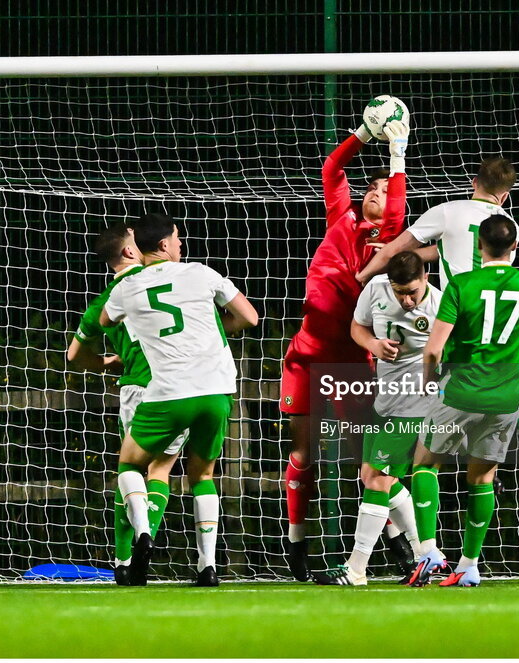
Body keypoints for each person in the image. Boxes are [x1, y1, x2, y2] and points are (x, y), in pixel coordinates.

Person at [356, 157, 519, 471]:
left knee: (444, 394)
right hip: (497, 318)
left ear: (474, 183)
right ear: (505, 196)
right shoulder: (508, 226)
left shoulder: (448, 211)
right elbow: (452, 250)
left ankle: (435, 457)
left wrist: (363, 274)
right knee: (489, 384)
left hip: (452, 316)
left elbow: (396, 249)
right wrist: (416, 256)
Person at [279, 112, 410, 581]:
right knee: (303, 453)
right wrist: (362, 134)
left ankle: (402, 541)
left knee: (367, 461)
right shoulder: (341, 216)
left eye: (382, 189)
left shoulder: (388, 240)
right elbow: (332, 170)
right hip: (306, 351)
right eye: (370, 188)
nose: (374, 193)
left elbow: (396, 207)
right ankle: (295, 542)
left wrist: (398, 153)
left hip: (351, 357)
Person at [100, 212, 259, 586]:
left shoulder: (126, 288)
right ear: (164, 245)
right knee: (203, 475)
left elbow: (106, 321)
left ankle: (143, 532)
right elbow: (250, 317)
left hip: (168, 393)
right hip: (217, 390)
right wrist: (214, 328)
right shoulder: (201, 273)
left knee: (130, 465)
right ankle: (208, 566)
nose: (181, 244)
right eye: (177, 238)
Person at [409, 214, 519, 588]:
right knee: (483, 477)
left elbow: (434, 350)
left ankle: (427, 551)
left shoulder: (461, 284)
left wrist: (429, 384)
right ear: (516, 246)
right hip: (505, 398)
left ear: (479, 246)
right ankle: (469, 566)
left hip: (461, 390)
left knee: (425, 464)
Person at [313, 251, 441, 586]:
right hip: (384, 400)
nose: (407, 300)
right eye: (400, 293)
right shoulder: (376, 289)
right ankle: (423, 558)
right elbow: (358, 326)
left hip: (415, 403)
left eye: (412, 292)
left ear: (425, 277)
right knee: (373, 475)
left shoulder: (439, 305)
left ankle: (356, 569)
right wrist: (372, 343)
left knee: (377, 480)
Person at [67, 222, 179, 586]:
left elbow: (73, 355)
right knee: (161, 471)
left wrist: (103, 363)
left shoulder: (109, 297)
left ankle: (123, 557)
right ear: (131, 252)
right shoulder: (169, 281)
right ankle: (151, 537)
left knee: (128, 468)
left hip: (133, 388)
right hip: (177, 385)